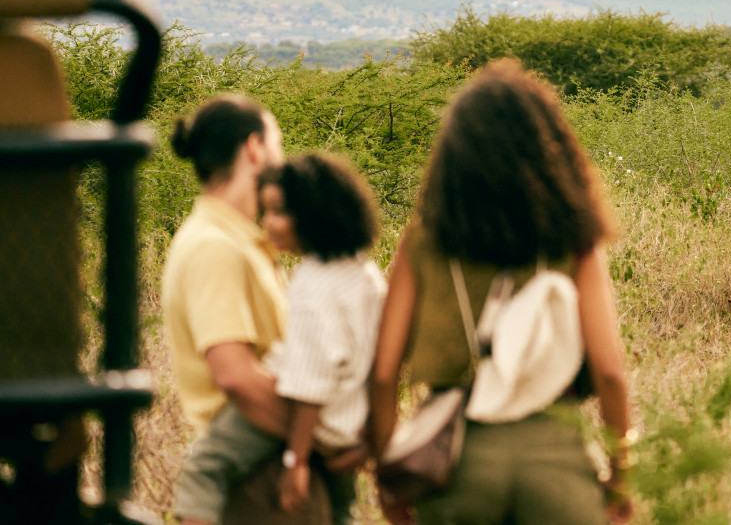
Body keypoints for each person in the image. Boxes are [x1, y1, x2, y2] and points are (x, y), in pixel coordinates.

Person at [370, 59, 636, 525]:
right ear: (548, 149)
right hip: (556, 459)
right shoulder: (575, 241)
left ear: (454, 156)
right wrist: (621, 476)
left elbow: (382, 374)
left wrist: (389, 481)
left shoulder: (422, 243)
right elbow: (611, 373)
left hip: (455, 464)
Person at [168, 151, 387, 525]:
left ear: (313, 214)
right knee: (341, 508)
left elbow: (308, 383)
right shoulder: (366, 274)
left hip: (310, 420)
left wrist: (296, 458)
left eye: (279, 211)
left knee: (204, 468)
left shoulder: (311, 284)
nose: (266, 223)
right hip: (348, 425)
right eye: (264, 209)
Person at [161, 94, 289, 523]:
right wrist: (322, 439)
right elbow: (235, 375)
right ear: (253, 148)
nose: (280, 156)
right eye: (276, 143)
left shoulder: (230, 238)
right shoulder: (215, 247)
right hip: (255, 480)